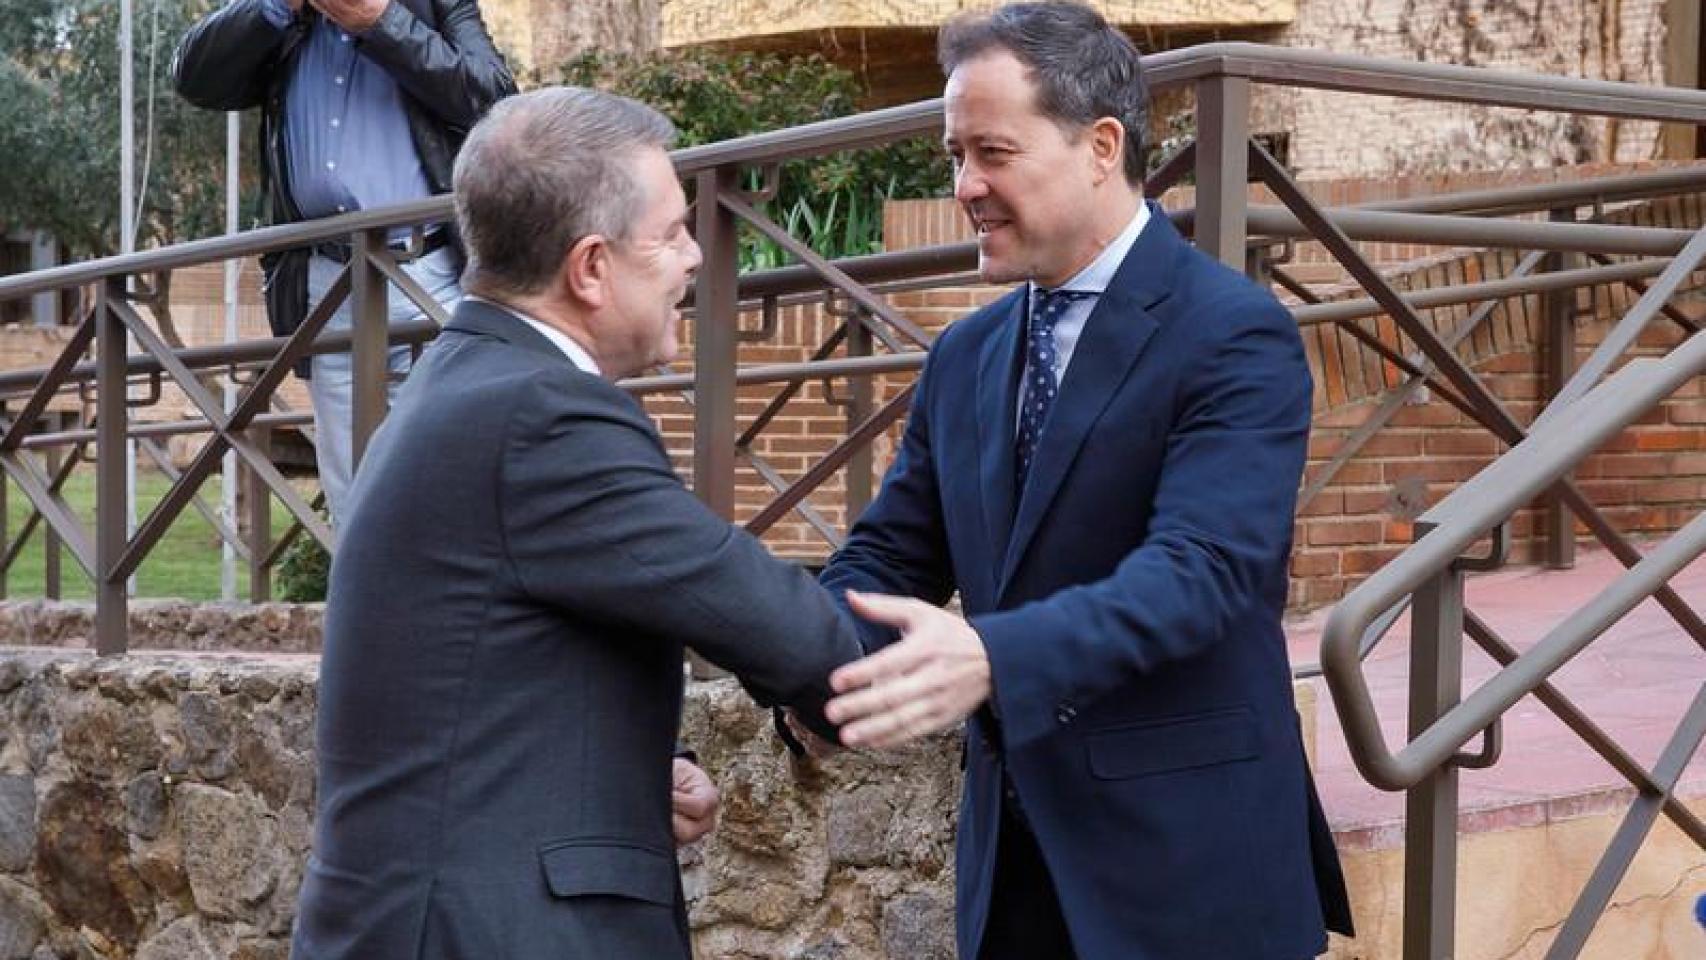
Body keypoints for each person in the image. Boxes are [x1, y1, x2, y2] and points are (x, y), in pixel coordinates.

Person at [816, 4, 1354, 958]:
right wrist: (799, 660)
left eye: (992, 152)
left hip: (1187, 885)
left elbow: (1202, 573)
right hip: (1014, 888)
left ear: (1101, 145)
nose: (965, 186)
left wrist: (991, 656)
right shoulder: (966, 354)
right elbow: (887, 558)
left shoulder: (1232, 332)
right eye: (954, 155)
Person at [291, 87, 864, 959]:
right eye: (672, 234)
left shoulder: (462, 386)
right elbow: (758, 612)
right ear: (590, 267)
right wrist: (977, 664)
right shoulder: (543, 413)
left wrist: (630, 772)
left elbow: (481, 671)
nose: (692, 262)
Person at [172, 0, 516, 526]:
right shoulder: (284, 23)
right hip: (328, 284)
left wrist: (381, 24)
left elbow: (495, 103)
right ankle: (369, 604)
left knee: (456, 472)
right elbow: (194, 77)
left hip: (430, 272)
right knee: (355, 488)